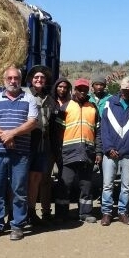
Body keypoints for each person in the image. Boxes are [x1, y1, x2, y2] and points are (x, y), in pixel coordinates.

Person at [0, 65, 39, 240]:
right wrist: (3, 135)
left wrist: (12, 133)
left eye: (16, 78)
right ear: (4, 80)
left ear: (20, 80)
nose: (13, 81)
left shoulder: (29, 99)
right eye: (10, 78)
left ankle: (17, 225)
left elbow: (32, 122)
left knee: (19, 190)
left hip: (20, 153)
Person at [55, 77, 102, 224]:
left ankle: (85, 213)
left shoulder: (93, 108)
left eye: (85, 89)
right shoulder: (66, 107)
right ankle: (61, 215)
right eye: (79, 89)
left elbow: (98, 132)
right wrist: (59, 152)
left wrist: (98, 152)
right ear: (74, 90)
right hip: (68, 153)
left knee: (86, 185)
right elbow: (57, 132)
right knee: (65, 184)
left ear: (88, 90)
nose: (82, 91)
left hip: (87, 153)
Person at [99, 77, 129, 225]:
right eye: (123, 89)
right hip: (111, 152)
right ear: (120, 89)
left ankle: (122, 212)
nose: (125, 92)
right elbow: (104, 128)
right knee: (107, 184)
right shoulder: (110, 103)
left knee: (126, 185)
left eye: (128, 89)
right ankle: (106, 213)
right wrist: (108, 148)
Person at [25, 65, 55, 225]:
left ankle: (31, 211)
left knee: (36, 178)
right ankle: (16, 214)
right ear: (31, 79)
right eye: (36, 77)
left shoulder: (49, 99)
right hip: (27, 141)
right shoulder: (24, 95)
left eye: (42, 78)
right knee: (21, 179)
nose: (39, 80)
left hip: (42, 143)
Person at [51, 75, 74, 219]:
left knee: (62, 177)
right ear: (55, 87)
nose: (62, 89)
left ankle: (60, 211)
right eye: (60, 86)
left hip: (63, 145)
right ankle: (45, 211)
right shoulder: (50, 101)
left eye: (65, 87)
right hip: (47, 143)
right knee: (44, 179)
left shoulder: (71, 104)